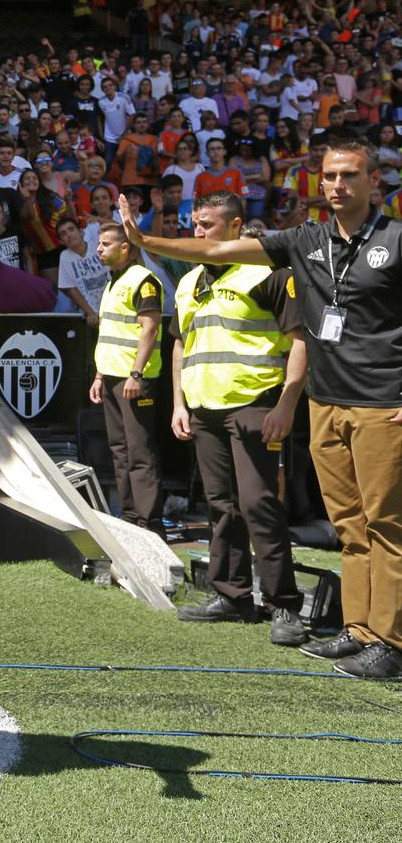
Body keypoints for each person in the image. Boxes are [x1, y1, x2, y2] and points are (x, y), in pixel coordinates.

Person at [119, 137, 402, 679]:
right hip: (326, 402)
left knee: (385, 523)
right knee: (349, 524)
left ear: (373, 182)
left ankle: (390, 641)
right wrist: (145, 238)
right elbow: (215, 252)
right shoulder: (306, 239)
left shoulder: (395, 238)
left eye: (349, 175)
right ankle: (361, 630)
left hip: (381, 403)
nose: (338, 185)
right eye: (329, 176)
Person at [171, 191, 308, 644]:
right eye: (195, 223)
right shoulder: (188, 281)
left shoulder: (268, 272)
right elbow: (180, 344)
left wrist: (286, 404)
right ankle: (232, 596)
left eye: (207, 225)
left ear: (234, 228)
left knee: (258, 504)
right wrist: (178, 403)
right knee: (220, 506)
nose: (198, 232)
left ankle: (284, 605)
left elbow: (300, 340)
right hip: (204, 408)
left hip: (255, 405)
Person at [88, 223, 165, 532]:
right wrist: (99, 376)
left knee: (140, 451)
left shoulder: (143, 280)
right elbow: (111, 335)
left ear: (124, 248)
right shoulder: (112, 283)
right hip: (112, 378)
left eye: (105, 243)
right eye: (99, 243)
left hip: (134, 379)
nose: (98, 248)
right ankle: (131, 518)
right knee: (120, 451)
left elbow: (150, 329)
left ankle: (150, 522)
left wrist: (136, 374)